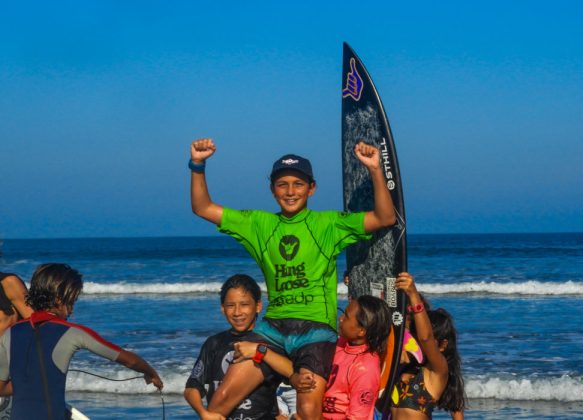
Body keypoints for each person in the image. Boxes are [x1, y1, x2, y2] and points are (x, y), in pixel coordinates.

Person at [189, 137, 396, 419]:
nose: (290, 191)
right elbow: (203, 208)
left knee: (308, 411)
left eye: (298, 184)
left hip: (316, 330)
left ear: (311, 189)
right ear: (272, 189)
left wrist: (375, 170)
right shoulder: (259, 224)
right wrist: (198, 165)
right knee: (220, 402)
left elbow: (385, 218)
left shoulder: (328, 224)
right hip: (272, 329)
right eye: (282, 184)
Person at [0, 263, 163, 420]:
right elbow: (129, 360)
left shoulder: (10, 333)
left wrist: (26, 386)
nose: (72, 309)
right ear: (59, 299)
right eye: (71, 301)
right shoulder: (73, 332)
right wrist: (150, 372)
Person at [233, 295, 392, 420]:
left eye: (347, 316)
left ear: (362, 331)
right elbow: (292, 370)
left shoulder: (366, 368)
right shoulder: (338, 345)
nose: (340, 318)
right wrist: (260, 351)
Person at [184, 274, 283, 420]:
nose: (237, 312)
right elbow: (192, 387)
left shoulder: (270, 343)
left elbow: (293, 378)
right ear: (222, 308)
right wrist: (203, 413)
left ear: (258, 306)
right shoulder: (214, 343)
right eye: (230, 305)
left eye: (244, 304)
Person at [391, 272, 466, 420]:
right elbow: (398, 325)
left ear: (443, 345)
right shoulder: (405, 366)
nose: (418, 341)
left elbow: (426, 338)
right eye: (415, 336)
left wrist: (413, 293)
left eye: (432, 339)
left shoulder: (438, 371)